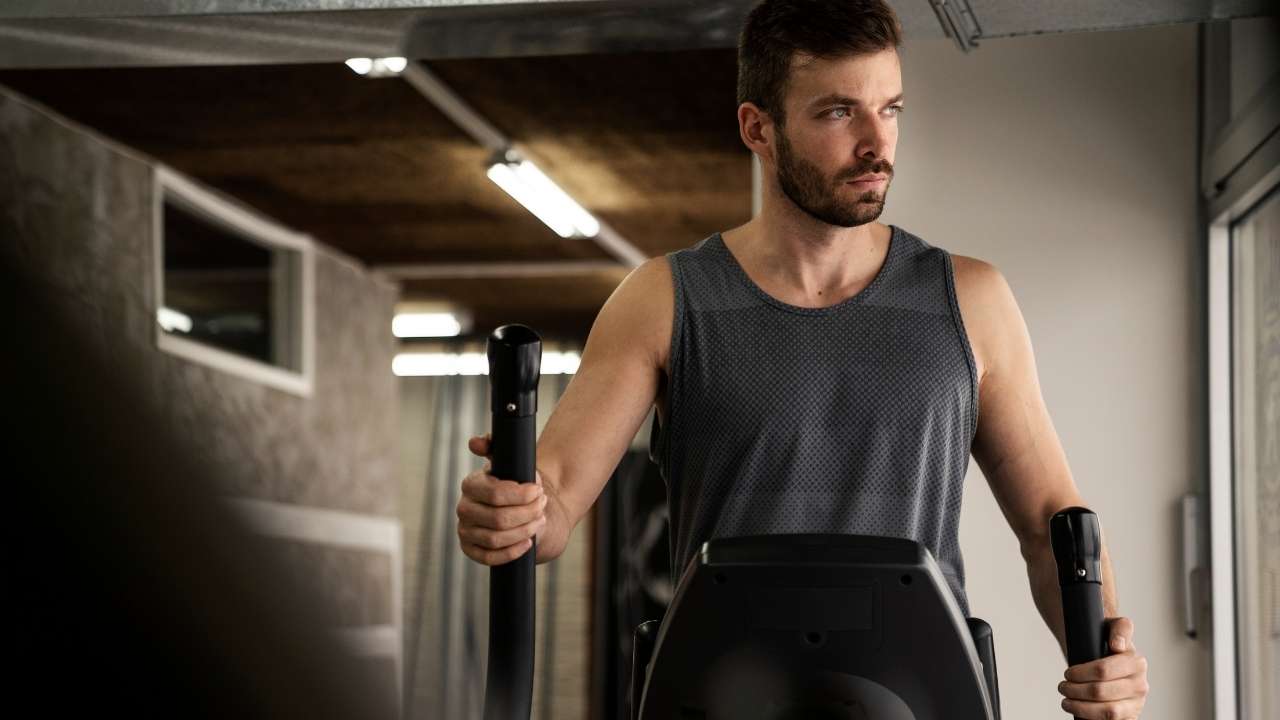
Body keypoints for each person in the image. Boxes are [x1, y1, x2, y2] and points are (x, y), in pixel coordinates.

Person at [455, 1, 1149, 717]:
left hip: (917, 697)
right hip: (724, 695)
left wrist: (1104, 654)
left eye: (892, 108)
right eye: (839, 113)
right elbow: (557, 497)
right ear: (759, 128)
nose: (878, 142)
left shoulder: (972, 300)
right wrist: (511, 513)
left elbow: (1052, 529)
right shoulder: (664, 299)